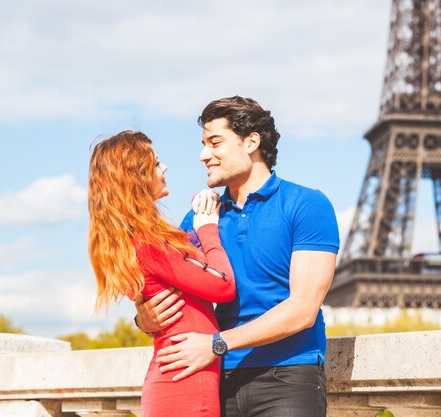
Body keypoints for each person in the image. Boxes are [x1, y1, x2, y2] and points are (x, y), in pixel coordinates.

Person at [135, 96, 340, 417]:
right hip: (216, 379)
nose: (204, 155)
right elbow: (172, 291)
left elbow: (303, 309)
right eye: (203, 144)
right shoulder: (200, 219)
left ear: (251, 142)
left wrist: (217, 344)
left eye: (215, 143)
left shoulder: (307, 204)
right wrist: (143, 319)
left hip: (287, 376)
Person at [87, 131, 235, 417]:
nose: (164, 168)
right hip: (186, 385)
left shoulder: (135, 240)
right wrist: (207, 227)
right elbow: (223, 285)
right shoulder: (150, 242)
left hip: (176, 380)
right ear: (135, 177)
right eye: (155, 164)